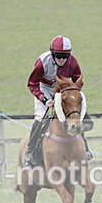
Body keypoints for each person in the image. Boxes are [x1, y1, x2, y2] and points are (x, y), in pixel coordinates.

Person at [25, 35, 91, 167]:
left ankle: (86, 149)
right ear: (52, 53)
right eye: (58, 56)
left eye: (64, 57)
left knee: (75, 115)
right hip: (44, 90)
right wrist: (44, 99)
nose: (61, 59)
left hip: (63, 91)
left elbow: (78, 80)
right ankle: (30, 152)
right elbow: (32, 83)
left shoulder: (73, 62)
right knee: (40, 119)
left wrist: (70, 92)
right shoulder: (42, 62)